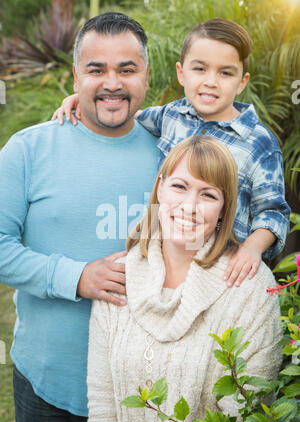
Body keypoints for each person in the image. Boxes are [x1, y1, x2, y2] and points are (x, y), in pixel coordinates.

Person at [0, 12, 161, 422]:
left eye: (127, 69)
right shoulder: (28, 150)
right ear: (75, 76)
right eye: (96, 70)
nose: (112, 82)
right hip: (46, 381)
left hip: (144, 391)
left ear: (146, 76)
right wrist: (76, 277)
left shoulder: (174, 157)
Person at [53, 18, 290, 289]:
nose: (210, 81)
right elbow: (123, 113)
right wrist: (82, 100)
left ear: (242, 82)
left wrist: (252, 248)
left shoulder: (259, 142)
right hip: (163, 264)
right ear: (181, 73)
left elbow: (273, 211)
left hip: (221, 272)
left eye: (225, 73)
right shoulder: (170, 116)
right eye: (199, 69)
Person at [87, 135, 282, 422]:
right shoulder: (120, 276)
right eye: (179, 187)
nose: (189, 206)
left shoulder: (252, 287)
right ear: (160, 188)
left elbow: (244, 421)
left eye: (208, 194)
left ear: (224, 209)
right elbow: (102, 407)